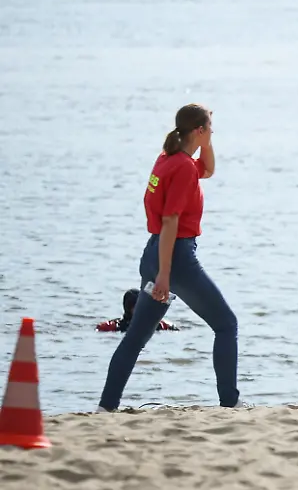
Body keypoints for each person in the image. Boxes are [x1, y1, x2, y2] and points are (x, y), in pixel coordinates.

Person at [100, 103, 239, 411]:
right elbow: (170, 221)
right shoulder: (184, 168)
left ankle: (105, 408)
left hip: (153, 253)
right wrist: (165, 274)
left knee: (136, 337)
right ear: (199, 130)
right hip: (175, 257)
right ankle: (231, 404)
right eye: (210, 128)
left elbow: (210, 170)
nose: (213, 132)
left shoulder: (169, 158)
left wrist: (207, 142)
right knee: (226, 325)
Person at [96, 289, 179, 332]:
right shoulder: (115, 326)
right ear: (130, 308)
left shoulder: (157, 324)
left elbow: (173, 328)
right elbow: (99, 329)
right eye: (139, 306)